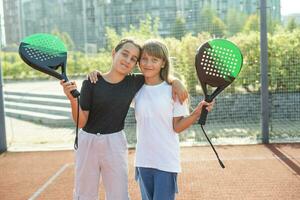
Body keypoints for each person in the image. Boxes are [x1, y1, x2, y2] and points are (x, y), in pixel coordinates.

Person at [61, 38, 187, 200]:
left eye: (134, 58)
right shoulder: (91, 81)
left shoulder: (135, 81)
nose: (128, 60)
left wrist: (176, 82)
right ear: (114, 53)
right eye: (125, 54)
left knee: (118, 195)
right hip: (88, 142)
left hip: (115, 142)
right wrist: (72, 99)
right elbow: (81, 122)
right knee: (84, 194)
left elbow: (159, 77)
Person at [88, 39, 214, 200]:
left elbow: (177, 127)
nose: (148, 64)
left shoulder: (173, 91)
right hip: (143, 161)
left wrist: (196, 113)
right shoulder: (135, 89)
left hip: (166, 161)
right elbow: (113, 82)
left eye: (154, 60)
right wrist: (96, 74)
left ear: (163, 63)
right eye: (144, 59)